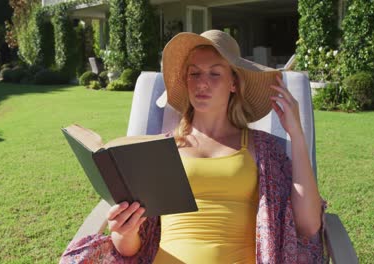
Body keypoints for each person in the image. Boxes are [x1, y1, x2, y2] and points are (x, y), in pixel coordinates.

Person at [60, 30, 326, 263]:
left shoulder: (262, 148)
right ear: (186, 82)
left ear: (233, 82)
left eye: (214, 73)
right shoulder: (157, 150)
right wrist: (123, 231)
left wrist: (297, 135)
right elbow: (129, 250)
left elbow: (308, 225)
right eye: (194, 73)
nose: (202, 83)